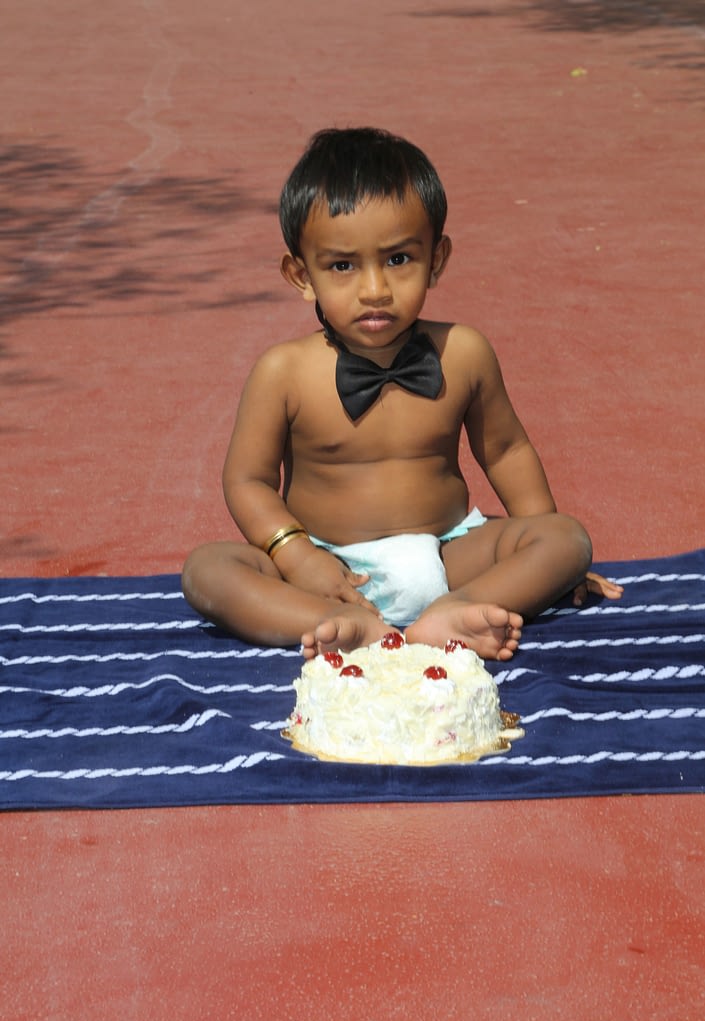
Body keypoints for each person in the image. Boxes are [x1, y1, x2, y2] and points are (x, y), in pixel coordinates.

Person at [182, 127, 622, 662]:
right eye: (342, 266)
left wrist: (546, 554)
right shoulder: (284, 371)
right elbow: (247, 480)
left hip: (449, 554)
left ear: (436, 259)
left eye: (398, 259)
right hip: (329, 567)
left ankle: (455, 613)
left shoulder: (464, 352)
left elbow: (506, 451)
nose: (374, 289)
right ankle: (335, 623)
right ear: (301, 275)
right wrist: (295, 555)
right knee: (208, 570)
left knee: (566, 540)